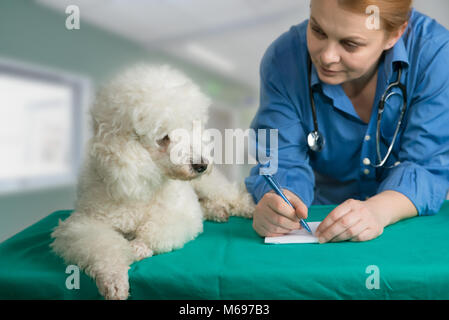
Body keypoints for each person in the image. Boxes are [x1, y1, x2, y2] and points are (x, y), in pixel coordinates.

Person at [245, 0, 449, 243]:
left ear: (395, 34)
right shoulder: (283, 60)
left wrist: (377, 210)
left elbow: (426, 166)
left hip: (403, 226)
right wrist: (281, 203)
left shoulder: (436, 55)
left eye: (350, 44)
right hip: (321, 223)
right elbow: (281, 160)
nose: (327, 57)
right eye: (318, 30)